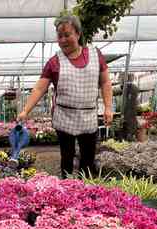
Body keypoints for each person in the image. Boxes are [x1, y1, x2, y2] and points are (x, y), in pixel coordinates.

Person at [17, 15, 113, 178]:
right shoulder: (54, 62)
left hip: (88, 116)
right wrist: (25, 110)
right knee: (66, 158)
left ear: (78, 33)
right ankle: (67, 190)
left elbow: (105, 82)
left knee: (87, 159)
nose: (63, 40)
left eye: (67, 35)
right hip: (65, 117)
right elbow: (40, 88)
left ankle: (86, 191)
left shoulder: (96, 56)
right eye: (59, 36)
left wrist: (108, 107)